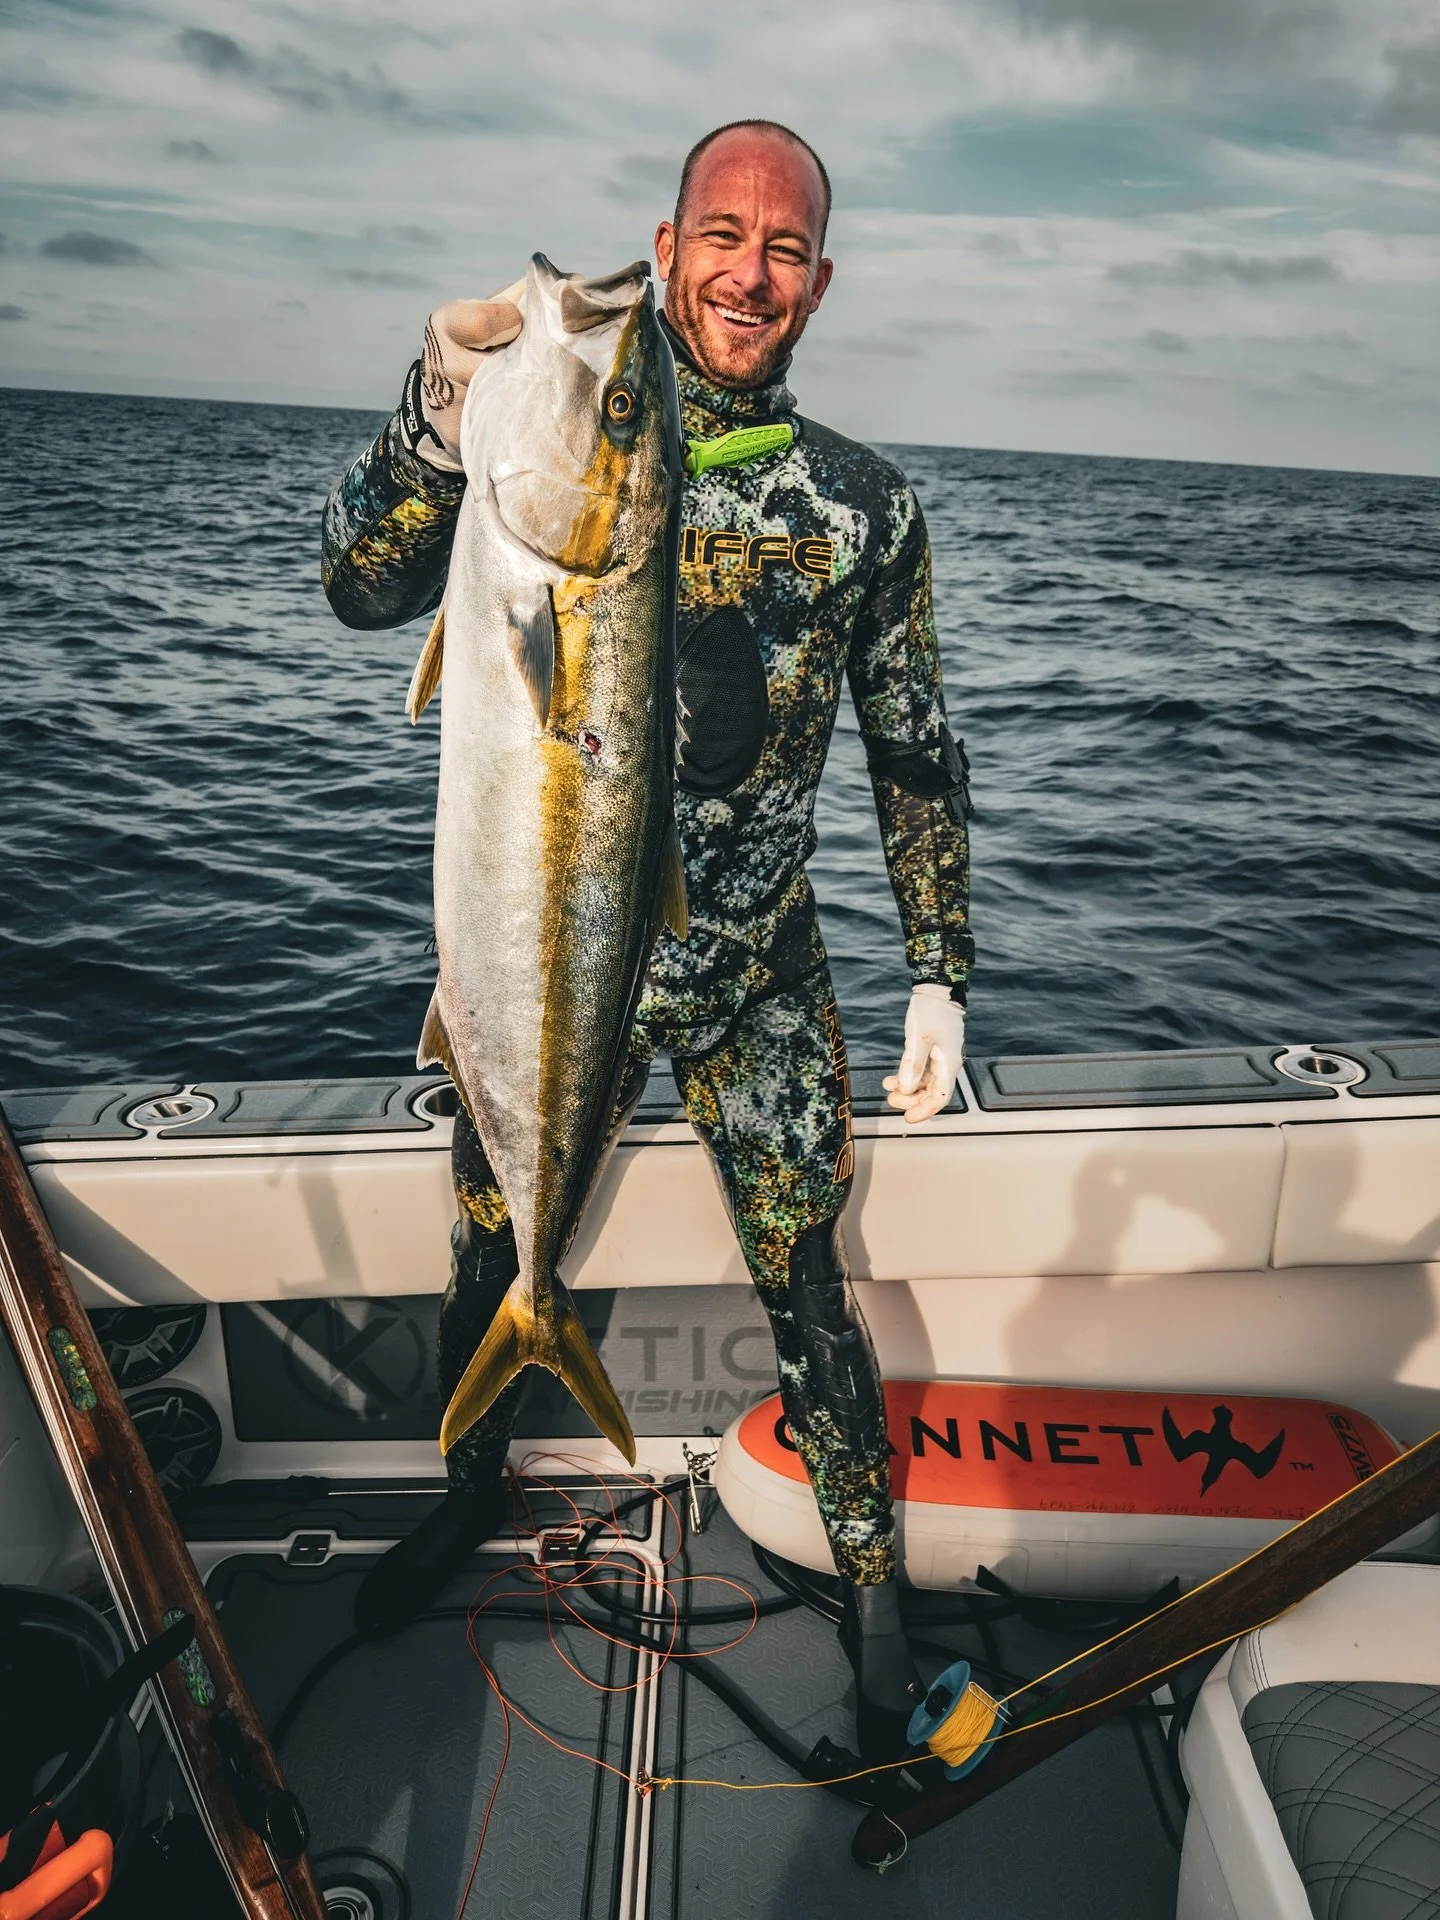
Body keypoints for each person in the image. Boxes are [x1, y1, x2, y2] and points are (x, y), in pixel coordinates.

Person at [320, 119, 973, 1764]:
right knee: (488, 1250)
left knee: (810, 1290)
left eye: (788, 248)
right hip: (542, 959)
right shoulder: (558, 429)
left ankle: (879, 1613)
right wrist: (435, 416)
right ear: (669, 243)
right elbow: (356, 587)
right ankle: (463, 1498)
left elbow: (918, 749)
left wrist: (940, 967)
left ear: (820, 279)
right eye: (723, 235)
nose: (750, 272)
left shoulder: (865, 505)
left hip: (756, 969)